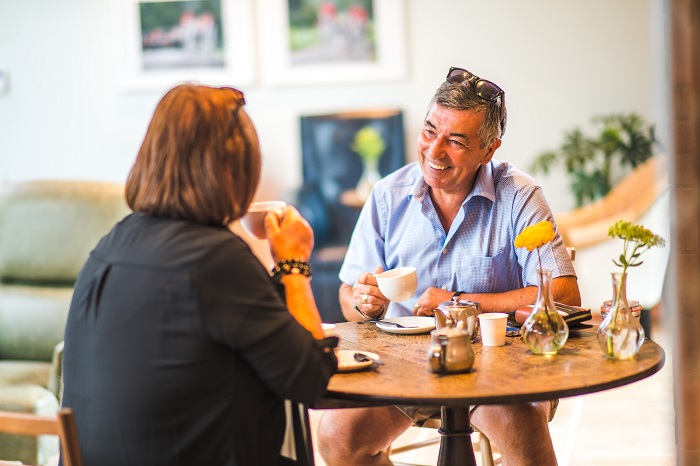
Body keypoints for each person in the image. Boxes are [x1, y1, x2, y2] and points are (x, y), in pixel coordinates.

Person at [60, 84, 338, 466]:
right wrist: (293, 265)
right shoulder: (216, 257)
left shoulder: (110, 244)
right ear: (233, 167)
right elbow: (310, 379)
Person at [317, 67, 580, 466]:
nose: (434, 151)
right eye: (429, 131)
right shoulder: (388, 195)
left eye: (455, 141)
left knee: (525, 429)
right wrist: (365, 303)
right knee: (337, 438)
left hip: (499, 370)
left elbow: (562, 295)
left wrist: (459, 301)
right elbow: (348, 296)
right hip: (405, 371)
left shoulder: (520, 195)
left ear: (489, 150)